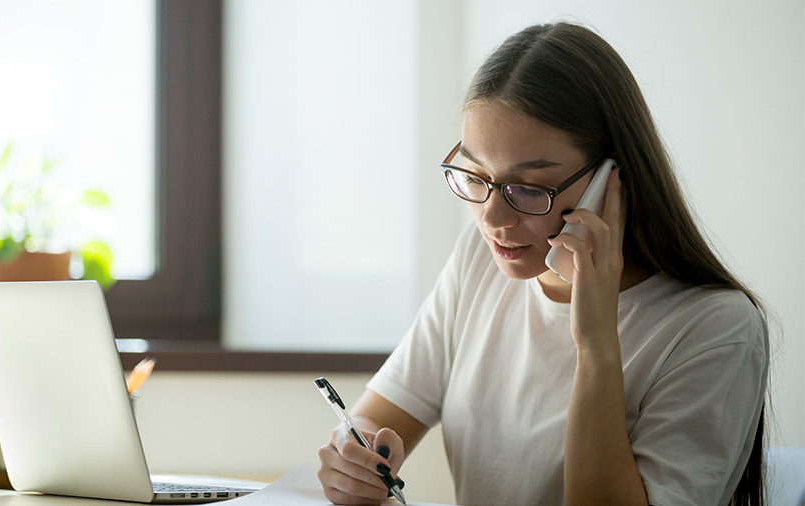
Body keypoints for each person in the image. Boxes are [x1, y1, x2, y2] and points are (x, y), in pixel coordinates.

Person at [316, 22, 769, 506]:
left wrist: (595, 344)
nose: (492, 218)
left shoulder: (715, 329)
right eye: (474, 175)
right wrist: (353, 458)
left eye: (529, 189)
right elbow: (378, 417)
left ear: (610, 181)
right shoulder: (480, 258)